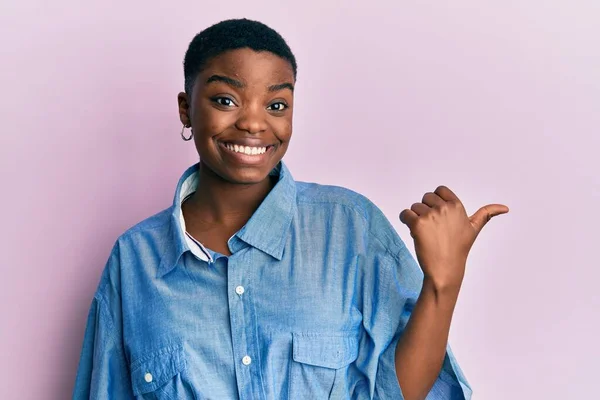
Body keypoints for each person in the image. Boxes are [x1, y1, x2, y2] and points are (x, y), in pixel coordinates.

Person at [73, 18, 508, 400]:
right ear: (186, 109)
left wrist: (443, 283)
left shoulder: (349, 227)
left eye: (276, 104)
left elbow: (396, 393)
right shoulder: (134, 260)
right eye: (226, 100)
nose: (254, 122)